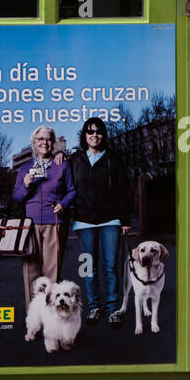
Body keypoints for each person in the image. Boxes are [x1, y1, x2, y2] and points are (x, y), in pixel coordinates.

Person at [67, 117, 133, 327]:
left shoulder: (114, 159)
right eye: (90, 131)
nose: (94, 135)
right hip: (84, 222)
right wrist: (59, 154)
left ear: (103, 135)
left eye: (98, 131)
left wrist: (124, 219)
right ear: (84, 135)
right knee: (87, 267)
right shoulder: (75, 160)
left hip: (110, 220)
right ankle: (94, 307)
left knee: (111, 266)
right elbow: (67, 186)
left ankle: (113, 309)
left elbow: (124, 191)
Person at [10, 126, 76, 308]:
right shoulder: (24, 169)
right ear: (34, 142)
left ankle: (53, 319)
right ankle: (34, 317)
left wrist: (63, 204)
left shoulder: (62, 164)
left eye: (48, 139)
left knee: (52, 274)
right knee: (30, 272)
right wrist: (24, 185)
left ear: (52, 142)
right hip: (29, 225)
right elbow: (16, 198)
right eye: (40, 139)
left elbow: (71, 191)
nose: (44, 142)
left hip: (54, 223)